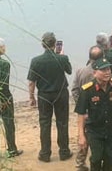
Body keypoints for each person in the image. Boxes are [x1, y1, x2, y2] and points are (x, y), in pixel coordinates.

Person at [28, 31, 74, 162]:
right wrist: (62, 56)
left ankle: (45, 153)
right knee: (62, 123)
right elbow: (69, 71)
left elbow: (31, 82)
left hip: (44, 95)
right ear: (55, 44)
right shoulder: (62, 58)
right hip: (60, 94)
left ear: (43, 45)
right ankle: (64, 152)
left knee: (44, 123)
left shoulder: (36, 61)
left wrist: (31, 97)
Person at [76, 59, 112, 171]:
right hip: (94, 131)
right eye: (103, 70)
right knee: (96, 158)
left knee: (110, 158)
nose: (107, 72)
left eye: (108, 69)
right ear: (94, 73)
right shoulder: (87, 89)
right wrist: (81, 135)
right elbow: (81, 113)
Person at [72, 47, 106, 171]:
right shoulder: (102, 72)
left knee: (83, 137)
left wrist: (81, 106)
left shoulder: (81, 71)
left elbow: (74, 90)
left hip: (84, 112)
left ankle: (80, 163)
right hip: (98, 111)